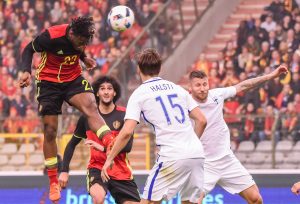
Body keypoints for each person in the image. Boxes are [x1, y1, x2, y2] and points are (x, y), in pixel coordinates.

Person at [18, 17, 115, 202]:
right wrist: (25, 71)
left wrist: (84, 58)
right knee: (50, 130)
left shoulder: (81, 37)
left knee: (91, 107)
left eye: (86, 42)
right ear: (71, 34)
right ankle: (53, 181)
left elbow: (76, 49)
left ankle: (110, 141)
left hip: (73, 78)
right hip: (48, 83)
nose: (84, 44)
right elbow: (28, 49)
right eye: (82, 42)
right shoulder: (51, 37)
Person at [96, 48, 207, 204]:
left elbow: (127, 132)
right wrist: (189, 144)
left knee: (148, 202)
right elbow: (202, 120)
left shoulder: (139, 94)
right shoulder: (178, 89)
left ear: (138, 69)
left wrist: (109, 159)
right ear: (159, 68)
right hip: (196, 153)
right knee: (189, 202)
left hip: (171, 155)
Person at [189, 65, 288, 204]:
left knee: (256, 199)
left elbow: (244, 85)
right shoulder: (185, 104)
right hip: (204, 164)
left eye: (205, 84)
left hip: (227, 160)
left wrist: (271, 75)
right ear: (190, 88)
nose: (202, 88)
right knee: (193, 202)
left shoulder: (217, 94)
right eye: (198, 85)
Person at [58, 76, 140, 204]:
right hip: (96, 168)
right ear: (97, 93)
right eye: (102, 89)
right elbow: (71, 145)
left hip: (121, 170)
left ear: (115, 92)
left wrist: (102, 147)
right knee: (98, 198)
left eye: (109, 89)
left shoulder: (124, 115)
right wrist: (64, 171)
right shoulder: (87, 117)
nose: (106, 92)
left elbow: (128, 146)